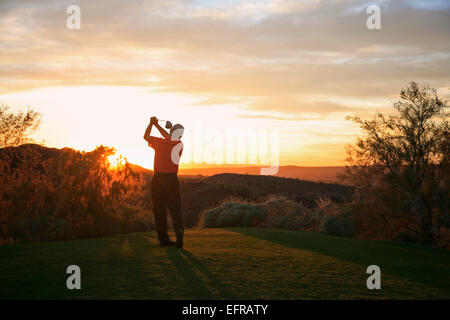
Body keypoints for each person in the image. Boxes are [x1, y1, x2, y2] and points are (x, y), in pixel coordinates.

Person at [143, 116, 184, 248]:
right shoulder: (179, 145)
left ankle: (164, 240)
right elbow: (168, 136)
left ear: (171, 132)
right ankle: (179, 236)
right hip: (172, 180)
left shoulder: (160, 142)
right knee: (175, 210)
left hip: (159, 180)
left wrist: (152, 124)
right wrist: (156, 125)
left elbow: (146, 136)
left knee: (159, 211)